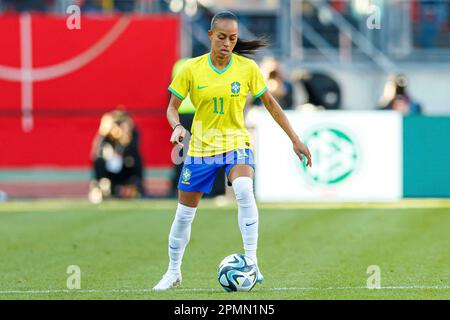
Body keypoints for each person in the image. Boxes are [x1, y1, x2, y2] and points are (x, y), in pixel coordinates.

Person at [153, 11, 312, 291]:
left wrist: (295, 139)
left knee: (243, 190)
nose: (227, 43)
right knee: (184, 214)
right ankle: (173, 271)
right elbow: (171, 107)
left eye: (233, 38)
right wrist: (177, 126)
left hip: (236, 144)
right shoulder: (191, 68)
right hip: (201, 149)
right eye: (223, 37)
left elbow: (273, 105)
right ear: (211, 35)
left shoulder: (247, 69)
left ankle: (252, 262)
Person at [89, 109, 145, 203]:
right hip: (109, 171)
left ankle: (133, 187)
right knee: (99, 160)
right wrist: (104, 131)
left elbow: (133, 149)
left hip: (125, 170)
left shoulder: (133, 133)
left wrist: (124, 133)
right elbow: (94, 153)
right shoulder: (106, 136)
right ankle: (100, 187)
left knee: (135, 160)